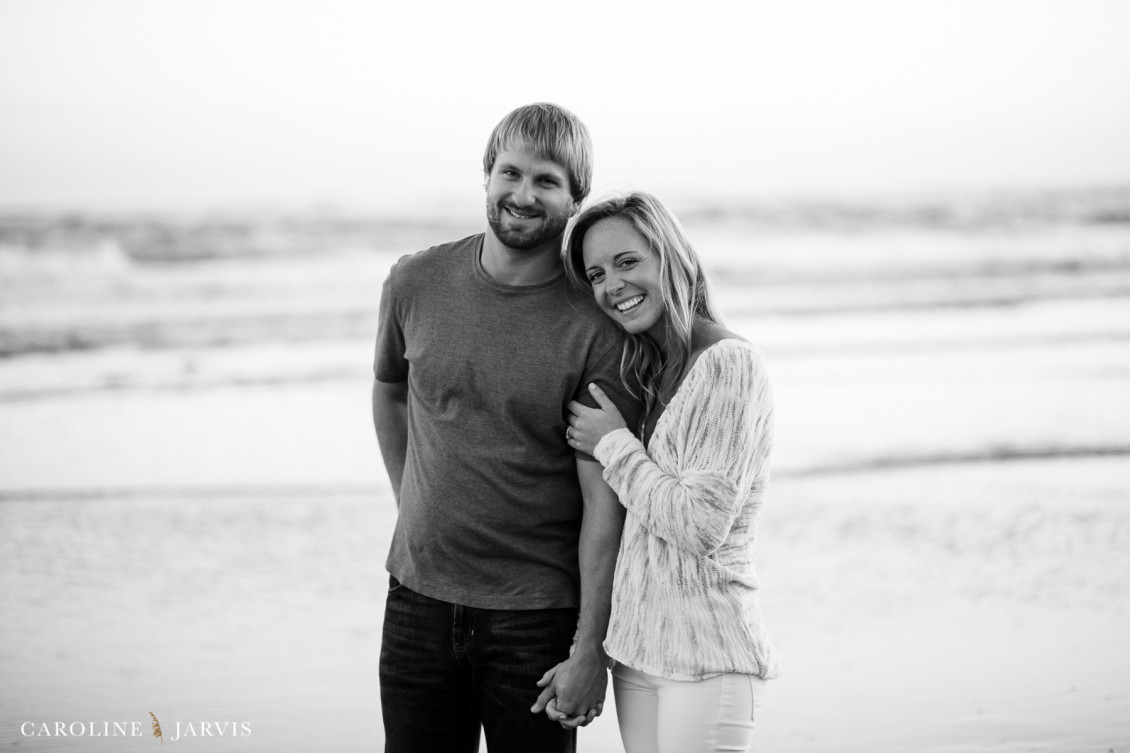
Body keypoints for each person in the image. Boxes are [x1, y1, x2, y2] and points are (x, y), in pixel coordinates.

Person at [371, 103, 642, 752]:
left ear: (575, 198)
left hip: (536, 618)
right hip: (416, 599)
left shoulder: (595, 324)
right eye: (510, 173)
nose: (523, 194)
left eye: (547, 181)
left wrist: (590, 649)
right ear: (487, 175)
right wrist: (412, 501)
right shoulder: (415, 281)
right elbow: (389, 391)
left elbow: (604, 500)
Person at [556, 192, 780, 753]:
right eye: (596, 274)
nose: (612, 286)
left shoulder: (729, 363)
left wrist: (613, 444)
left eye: (627, 262)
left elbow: (700, 524)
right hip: (640, 657)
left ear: (670, 256)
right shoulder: (651, 371)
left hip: (708, 658)